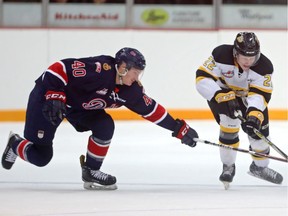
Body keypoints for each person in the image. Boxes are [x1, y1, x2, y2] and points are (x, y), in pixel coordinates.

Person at [1, 47, 199, 190]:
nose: (137, 78)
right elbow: (58, 68)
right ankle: (15, 144)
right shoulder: (99, 70)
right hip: (48, 98)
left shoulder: (130, 90)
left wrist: (178, 128)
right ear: (122, 67)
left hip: (78, 109)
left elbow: (151, 110)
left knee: (105, 125)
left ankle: (91, 170)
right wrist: (55, 94)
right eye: (135, 72)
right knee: (41, 156)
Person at [195, 32, 283, 189]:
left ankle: (260, 168)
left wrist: (254, 115)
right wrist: (221, 96)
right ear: (236, 53)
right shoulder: (221, 54)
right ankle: (228, 166)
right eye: (244, 57)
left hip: (247, 97)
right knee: (229, 127)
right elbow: (202, 79)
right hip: (222, 94)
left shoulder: (264, 67)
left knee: (258, 135)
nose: (249, 61)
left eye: (252, 57)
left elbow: (259, 94)